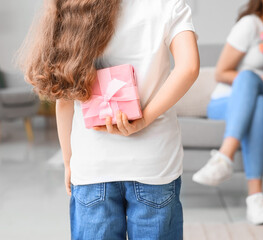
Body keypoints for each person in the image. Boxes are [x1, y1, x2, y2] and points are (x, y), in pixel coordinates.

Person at [19, 0, 199, 239]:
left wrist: (69, 160)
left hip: (94, 165)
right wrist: (143, 120)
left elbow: (64, 98)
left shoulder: (73, 4)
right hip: (154, 163)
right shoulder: (168, 5)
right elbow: (189, 67)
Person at [192, 0, 263, 225]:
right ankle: (256, 198)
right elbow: (221, 73)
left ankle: (223, 160)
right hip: (227, 101)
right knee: (256, 96)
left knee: (258, 94)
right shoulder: (250, 25)